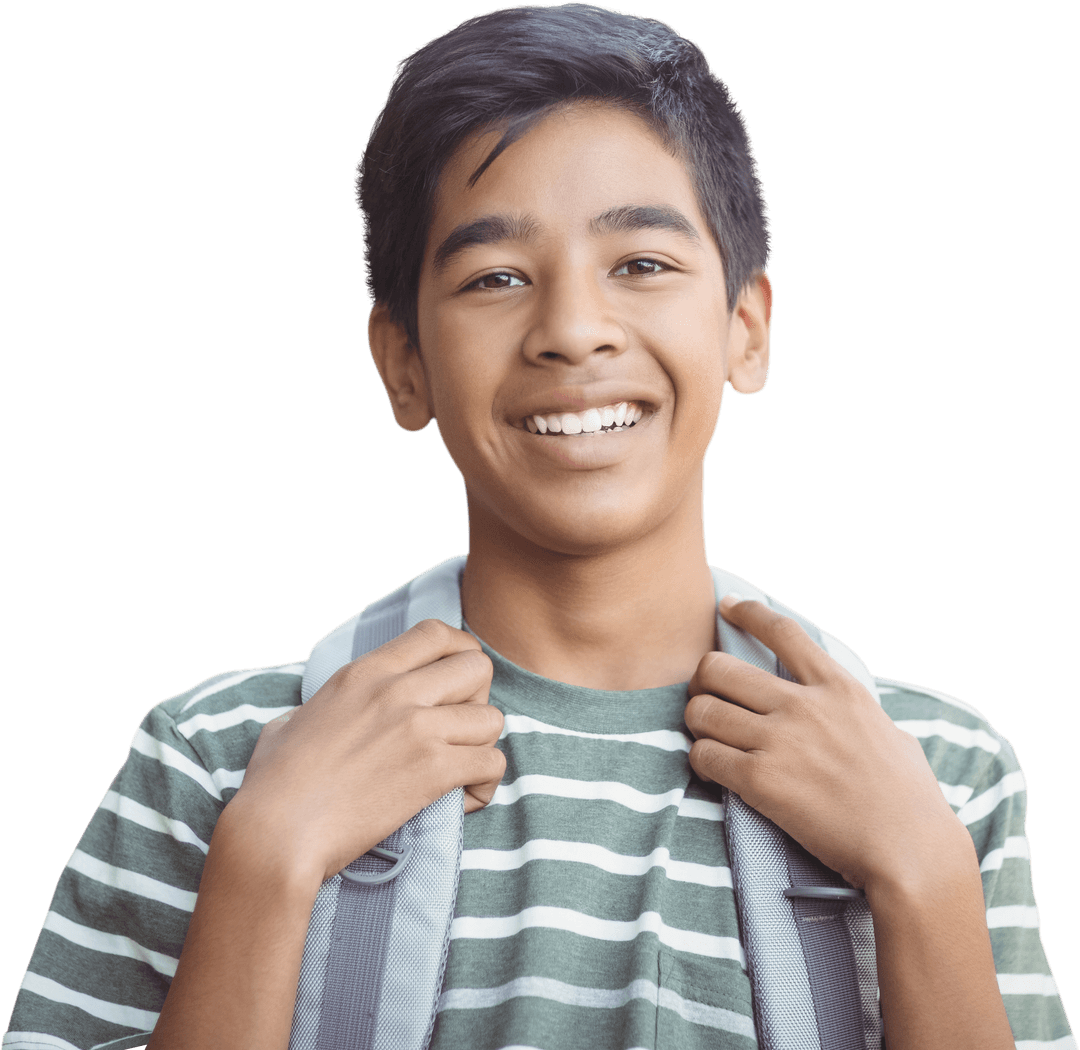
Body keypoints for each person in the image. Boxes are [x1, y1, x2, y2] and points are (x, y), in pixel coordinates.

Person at [5, 4, 1073, 1049]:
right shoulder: (216, 762)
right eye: (495, 278)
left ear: (745, 330)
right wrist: (266, 862)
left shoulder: (933, 773)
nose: (570, 331)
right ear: (403, 362)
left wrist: (923, 878)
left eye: (643, 265)